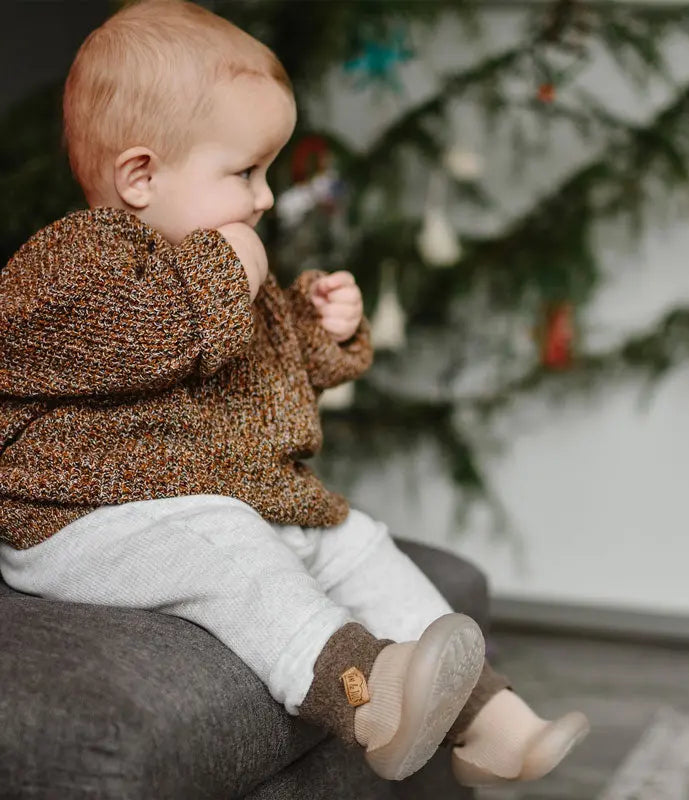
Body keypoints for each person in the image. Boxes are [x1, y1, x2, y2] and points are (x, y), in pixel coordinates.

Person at [0, 0, 588, 786]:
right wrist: (229, 271)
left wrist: (324, 331)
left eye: (266, 173)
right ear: (141, 176)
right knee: (225, 542)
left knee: (352, 539)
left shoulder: (228, 271)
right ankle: (366, 696)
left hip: (213, 493)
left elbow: (267, 372)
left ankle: (486, 722)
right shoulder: (75, 261)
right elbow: (143, 338)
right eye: (244, 172)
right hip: (85, 523)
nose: (266, 197)